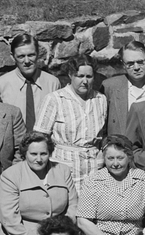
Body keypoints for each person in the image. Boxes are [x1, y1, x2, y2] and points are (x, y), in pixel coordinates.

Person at [74, 135, 145, 235]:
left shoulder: (143, 180)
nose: (115, 163)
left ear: (129, 157)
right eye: (110, 158)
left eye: (120, 158)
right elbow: (82, 221)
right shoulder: (94, 182)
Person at [0, 132, 75, 235]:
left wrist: (64, 234)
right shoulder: (11, 175)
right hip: (21, 234)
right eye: (33, 154)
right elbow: (8, 217)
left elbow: (73, 205)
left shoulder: (63, 171)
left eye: (43, 154)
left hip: (59, 233)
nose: (39, 159)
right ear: (25, 154)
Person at [34, 57, 107, 189]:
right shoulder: (54, 99)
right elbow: (40, 137)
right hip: (65, 166)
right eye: (80, 76)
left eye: (89, 76)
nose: (85, 81)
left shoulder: (100, 99)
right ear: (70, 75)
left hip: (93, 168)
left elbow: (103, 135)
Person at [0, 32, 60, 133]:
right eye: (21, 56)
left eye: (31, 55)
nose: (27, 61)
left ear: (38, 53)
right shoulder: (0, 85)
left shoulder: (53, 83)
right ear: (13, 57)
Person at [103, 41, 145, 137]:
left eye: (140, 62)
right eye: (130, 64)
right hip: (120, 148)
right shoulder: (110, 86)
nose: (136, 67)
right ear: (123, 65)